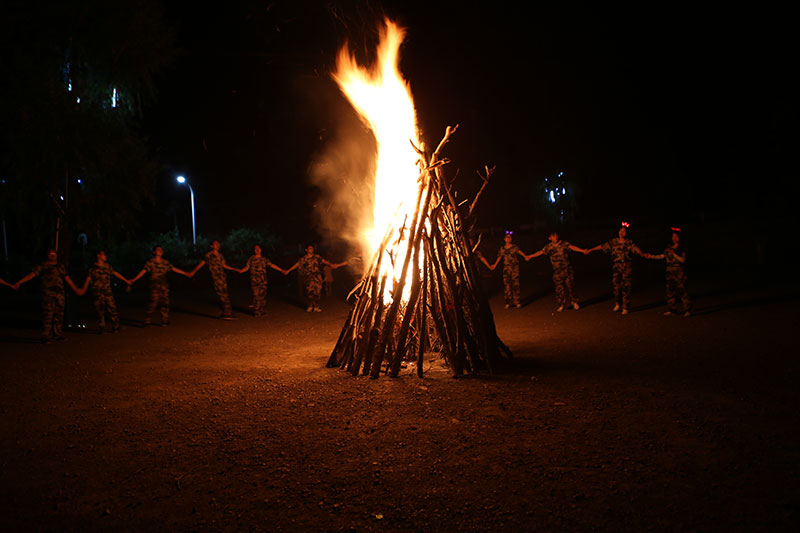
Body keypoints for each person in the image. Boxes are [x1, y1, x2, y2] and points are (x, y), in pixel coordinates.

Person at [13, 249, 83, 342]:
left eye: (54, 254)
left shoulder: (60, 267)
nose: (52, 255)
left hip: (59, 294)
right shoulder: (43, 266)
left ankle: (57, 333)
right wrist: (20, 282)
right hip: (47, 293)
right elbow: (32, 274)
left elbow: (67, 278)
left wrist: (76, 289)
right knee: (48, 314)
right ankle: (45, 334)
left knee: (59, 314)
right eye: (50, 254)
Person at [586, 222, 646, 315]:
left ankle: (625, 307)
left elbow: (636, 248)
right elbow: (602, 246)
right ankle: (618, 303)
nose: (622, 233)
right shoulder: (613, 242)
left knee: (626, 286)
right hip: (616, 266)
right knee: (616, 287)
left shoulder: (629, 242)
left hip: (626, 266)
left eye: (624, 231)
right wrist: (591, 249)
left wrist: (642, 254)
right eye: (620, 231)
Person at [129, 245, 192, 326]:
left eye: (161, 250)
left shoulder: (166, 262)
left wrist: (185, 273)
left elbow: (173, 268)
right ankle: (147, 318)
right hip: (154, 285)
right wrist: (134, 279)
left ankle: (164, 320)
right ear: (154, 252)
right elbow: (143, 271)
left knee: (165, 303)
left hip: (164, 285)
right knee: (153, 302)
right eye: (158, 250)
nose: (160, 251)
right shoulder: (150, 262)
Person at [526, 231, 588, 312]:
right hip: (557, 272)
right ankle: (562, 305)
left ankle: (574, 302)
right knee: (559, 289)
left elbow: (573, 247)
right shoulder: (549, 247)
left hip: (567, 269)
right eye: (553, 236)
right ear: (549, 238)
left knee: (571, 286)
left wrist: (582, 250)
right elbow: (540, 252)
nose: (555, 237)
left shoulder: (563, 244)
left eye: (555, 235)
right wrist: (530, 256)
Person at [644, 227, 691, 317]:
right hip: (670, 272)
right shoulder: (669, 247)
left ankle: (688, 309)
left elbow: (683, 260)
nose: (674, 238)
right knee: (670, 291)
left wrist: (674, 254)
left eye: (676, 237)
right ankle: (672, 309)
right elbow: (662, 256)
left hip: (679, 271)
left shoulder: (682, 248)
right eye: (673, 237)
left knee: (683, 291)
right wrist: (651, 256)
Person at [80, 250, 130, 333]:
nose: (105, 256)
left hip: (107, 291)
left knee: (112, 308)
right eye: (103, 254)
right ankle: (102, 326)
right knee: (99, 309)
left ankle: (115, 326)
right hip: (97, 292)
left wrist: (126, 280)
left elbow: (114, 273)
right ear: (98, 256)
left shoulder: (107, 266)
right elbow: (88, 279)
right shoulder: (93, 268)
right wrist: (83, 289)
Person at [283, 245, 345, 312]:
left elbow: (324, 261)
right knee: (310, 291)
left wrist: (331, 265)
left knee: (317, 292)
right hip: (309, 277)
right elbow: (297, 264)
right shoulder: (303, 259)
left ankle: (316, 306)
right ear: (306, 250)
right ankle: (310, 305)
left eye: (312, 248)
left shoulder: (317, 257)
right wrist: (288, 270)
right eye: (310, 248)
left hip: (317, 276)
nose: (311, 249)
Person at [190, 240, 238, 320]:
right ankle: (227, 313)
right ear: (212, 246)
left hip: (222, 277)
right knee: (223, 294)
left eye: (218, 244)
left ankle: (226, 312)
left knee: (224, 293)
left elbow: (224, 265)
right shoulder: (209, 255)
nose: (218, 245)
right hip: (216, 278)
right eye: (215, 244)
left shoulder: (220, 255)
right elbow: (202, 263)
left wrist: (234, 269)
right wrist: (193, 272)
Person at [236, 244, 286, 317]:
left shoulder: (264, 259)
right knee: (256, 295)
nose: (257, 249)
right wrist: (241, 270)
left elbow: (271, 265)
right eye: (255, 248)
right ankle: (256, 312)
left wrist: (281, 270)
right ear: (254, 250)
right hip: (254, 280)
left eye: (258, 248)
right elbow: (247, 267)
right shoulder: (251, 259)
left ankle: (261, 310)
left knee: (262, 295)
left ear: (261, 250)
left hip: (263, 280)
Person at [488, 230, 529, 309]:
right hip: (506, 269)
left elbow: (519, 252)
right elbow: (499, 257)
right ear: (504, 239)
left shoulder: (514, 247)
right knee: (507, 285)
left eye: (510, 237)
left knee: (516, 285)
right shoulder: (502, 249)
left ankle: (517, 301)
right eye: (507, 237)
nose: (509, 239)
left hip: (514, 268)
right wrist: (495, 265)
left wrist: (525, 256)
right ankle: (508, 302)